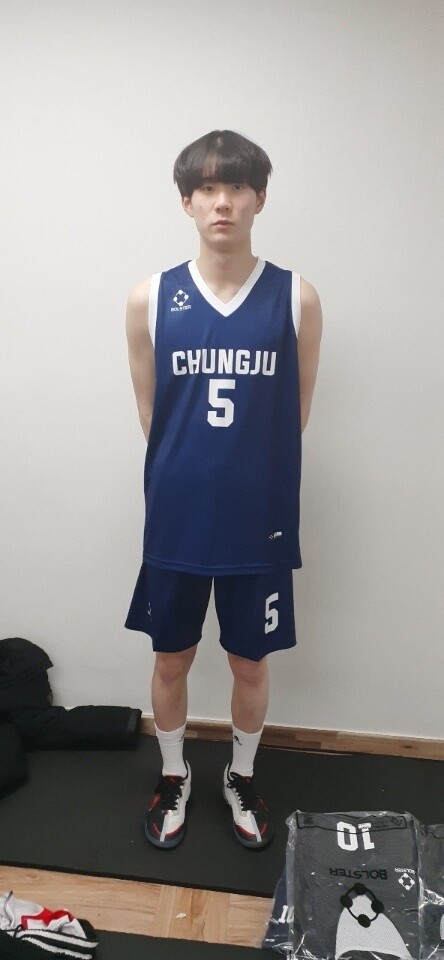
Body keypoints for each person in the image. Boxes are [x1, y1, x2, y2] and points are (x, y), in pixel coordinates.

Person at [124, 129, 323, 850]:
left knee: (250, 660)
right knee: (170, 657)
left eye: (236, 186)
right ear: (186, 201)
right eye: (206, 188)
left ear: (259, 197)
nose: (222, 202)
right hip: (178, 515)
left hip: (257, 518)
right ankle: (173, 773)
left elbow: (294, 414)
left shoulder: (296, 296)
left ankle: (241, 775)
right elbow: (153, 414)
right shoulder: (150, 297)